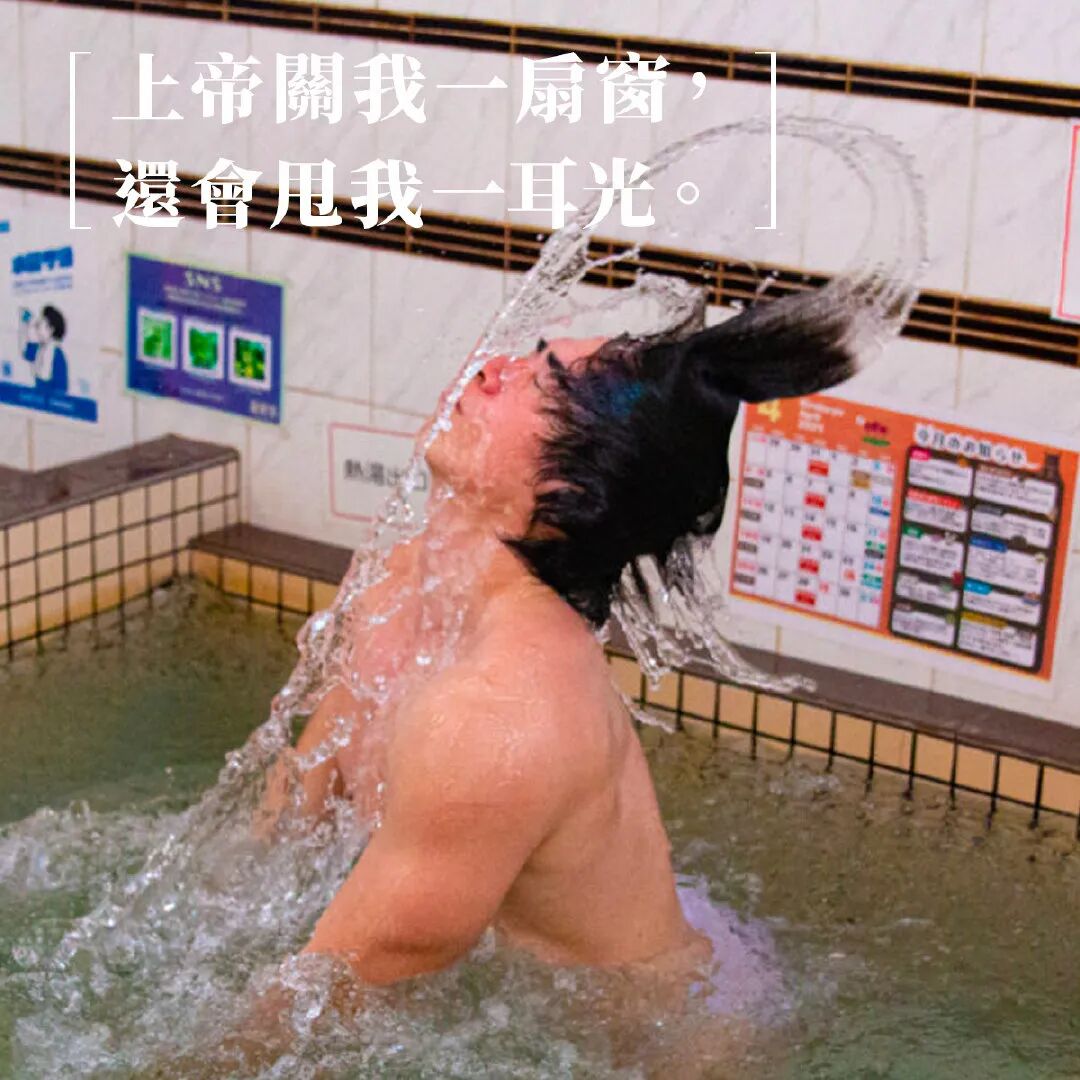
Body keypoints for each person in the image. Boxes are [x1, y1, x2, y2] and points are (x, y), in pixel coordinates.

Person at [260, 292, 862, 987]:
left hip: (661, 1014)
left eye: (540, 385)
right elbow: (302, 793)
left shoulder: (499, 719)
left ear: (572, 492)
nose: (492, 367)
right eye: (529, 359)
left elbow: (324, 995)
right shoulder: (398, 578)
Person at [19, 304, 70, 396]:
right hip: (40, 397)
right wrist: (25, 325)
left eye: (39, 325)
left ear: (51, 329)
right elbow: (24, 351)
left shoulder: (56, 354)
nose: (37, 329)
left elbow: (45, 377)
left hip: (53, 399)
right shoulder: (40, 348)